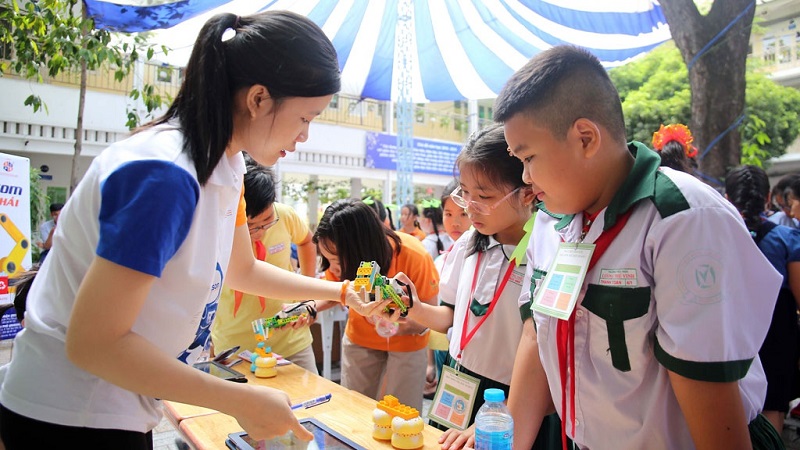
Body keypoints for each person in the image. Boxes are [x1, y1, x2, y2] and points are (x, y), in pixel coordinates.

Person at [0, 11, 379, 449]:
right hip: (70, 412)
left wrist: (337, 291)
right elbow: (93, 344)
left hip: (118, 403)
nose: (305, 136)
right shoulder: (164, 176)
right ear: (258, 99)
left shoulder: (227, 165)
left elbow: (243, 270)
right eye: (305, 118)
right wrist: (242, 400)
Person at [498, 45, 782, 449]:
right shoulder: (551, 221)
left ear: (585, 137)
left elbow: (705, 383)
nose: (525, 178)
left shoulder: (682, 218)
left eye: (528, 157)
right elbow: (535, 334)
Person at [385, 124, 563, 450]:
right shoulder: (468, 242)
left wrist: (508, 412)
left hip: (516, 397)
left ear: (527, 190)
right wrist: (413, 306)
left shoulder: (549, 246)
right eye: (464, 192)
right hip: (459, 383)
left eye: (483, 197)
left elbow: (547, 346)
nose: (469, 207)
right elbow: (449, 316)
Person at [312, 199, 439, 411]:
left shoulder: (414, 255)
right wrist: (309, 308)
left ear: (360, 249)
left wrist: (407, 325)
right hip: (360, 340)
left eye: (336, 260)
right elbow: (334, 291)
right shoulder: (337, 254)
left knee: (401, 415)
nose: (333, 268)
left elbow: (432, 312)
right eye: (328, 260)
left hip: (407, 344)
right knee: (354, 410)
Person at [211, 154, 319, 374]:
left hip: (292, 341)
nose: (260, 232)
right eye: (251, 226)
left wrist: (308, 298)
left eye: (267, 222)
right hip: (235, 347)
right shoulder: (218, 228)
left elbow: (307, 241)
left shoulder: (285, 215)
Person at [725, 165, 800, 434]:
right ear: (767, 197)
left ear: (727, 198)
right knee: (772, 407)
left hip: (728, 336)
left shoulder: (717, 235)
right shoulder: (785, 238)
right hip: (776, 336)